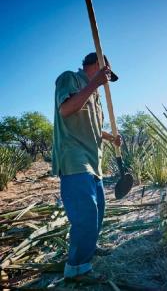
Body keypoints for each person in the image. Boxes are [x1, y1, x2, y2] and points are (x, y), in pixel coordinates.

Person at [52, 52, 121, 283]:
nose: (107, 80)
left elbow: (92, 126)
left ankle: (88, 247)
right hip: (74, 157)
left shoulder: (96, 94)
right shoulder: (69, 78)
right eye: (107, 74)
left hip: (94, 160)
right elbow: (66, 110)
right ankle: (76, 268)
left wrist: (111, 137)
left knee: (98, 211)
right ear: (98, 66)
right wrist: (94, 83)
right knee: (86, 212)